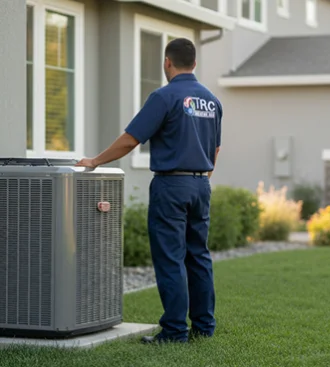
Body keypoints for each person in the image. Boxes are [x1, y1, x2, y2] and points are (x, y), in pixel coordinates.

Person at [75, 37, 222, 344]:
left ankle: (174, 331)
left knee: (170, 258)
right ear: (194, 63)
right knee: (198, 256)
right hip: (201, 184)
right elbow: (216, 148)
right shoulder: (212, 101)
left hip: (172, 185)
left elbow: (131, 139)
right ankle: (204, 327)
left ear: (167, 62)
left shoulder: (164, 97)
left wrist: (95, 161)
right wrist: (201, 176)